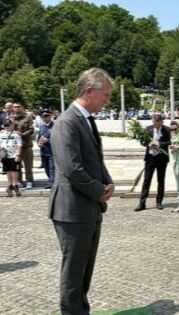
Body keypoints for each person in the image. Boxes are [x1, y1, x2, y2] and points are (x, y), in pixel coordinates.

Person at [49, 68, 115, 315]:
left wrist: (107, 182)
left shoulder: (85, 120)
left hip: (86, 207)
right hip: (71, 210)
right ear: (89, 91)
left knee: (84, 269)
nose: (106, 100)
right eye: (105, 95)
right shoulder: (67, 122)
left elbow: (94, 159)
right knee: (74, 271)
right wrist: (99, 191)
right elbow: (71, 168)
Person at [135, 114, 171, 211]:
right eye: (153, 122)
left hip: (162, 159)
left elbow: (169, 142)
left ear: (161, 122)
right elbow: (143, 142)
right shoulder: (148, 129)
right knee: (146, 180)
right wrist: (148, 143)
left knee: (161, 180)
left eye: (157, 123)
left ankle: (159, 202)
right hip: (150, 158)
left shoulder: (167, 129)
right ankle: (142, 203)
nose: (155, 124)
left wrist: (159, 144)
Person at [12, 103, 34, 189]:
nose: (16, 108)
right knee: (17, 165)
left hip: (26, 145)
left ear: (22, 107)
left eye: (18, 106)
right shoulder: (11, 118)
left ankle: (29, 181)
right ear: (13, 108)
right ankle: (19, 181)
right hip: (16, 147)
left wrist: (22, 134)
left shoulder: (28, 117)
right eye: (15, 107)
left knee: (28, 165)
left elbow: (31, 129)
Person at [0, 119, 22, 197]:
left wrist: (18, 154)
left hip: (14, 155)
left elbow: (19, 145)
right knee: (7, 170)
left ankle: (15, 185)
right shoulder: (1, 134)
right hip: (5, 155)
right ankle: (10, 185)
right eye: (5, 126)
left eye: (8, 125)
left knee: (14, 170)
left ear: (12, 125)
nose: (7, 127)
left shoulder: (16, 134)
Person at [38, 110, 55, 188]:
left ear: (50, 116)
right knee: (46, 167)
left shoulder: (55, 125)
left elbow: (59, 137)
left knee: (52, 167)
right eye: (43, 117)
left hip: (52, 150)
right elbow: (39, 136)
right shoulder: (42, 126)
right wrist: (38, 143)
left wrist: (49, 140)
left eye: (47, 116)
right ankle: (50, 180)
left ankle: (51, 182)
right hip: (44, 150)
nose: (45, 118)